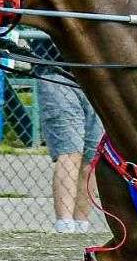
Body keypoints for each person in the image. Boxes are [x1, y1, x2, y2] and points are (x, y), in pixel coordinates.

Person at [38, 76, 103, 233]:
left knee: (92, 157)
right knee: (70, 152)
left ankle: (81, 228)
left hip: (93, 76)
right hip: (56, 73)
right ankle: (65, 227)